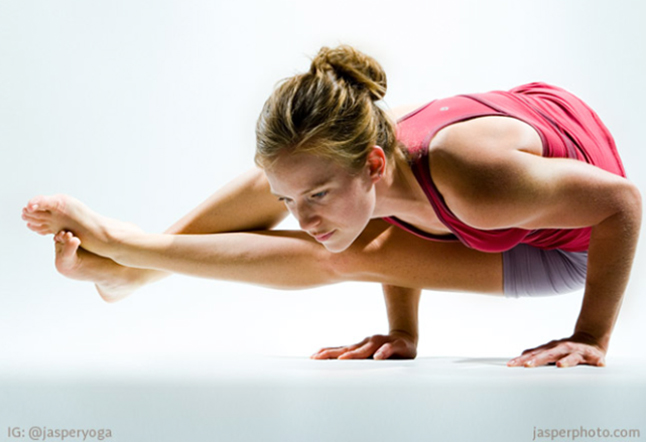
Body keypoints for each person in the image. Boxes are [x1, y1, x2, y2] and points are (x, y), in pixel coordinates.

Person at [22, 44, 641, 369]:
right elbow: (397, 209)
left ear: (375, 162)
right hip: (507, 138)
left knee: (339, 256)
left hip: (568, 241)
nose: (302, 217)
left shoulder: (479, 185)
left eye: (313, 200)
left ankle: (129, 250)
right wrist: (403, 331)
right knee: (297, 171)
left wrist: (591, 337)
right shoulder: (372, 153)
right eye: (292, 203)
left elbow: (621, 202)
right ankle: (131, 272)